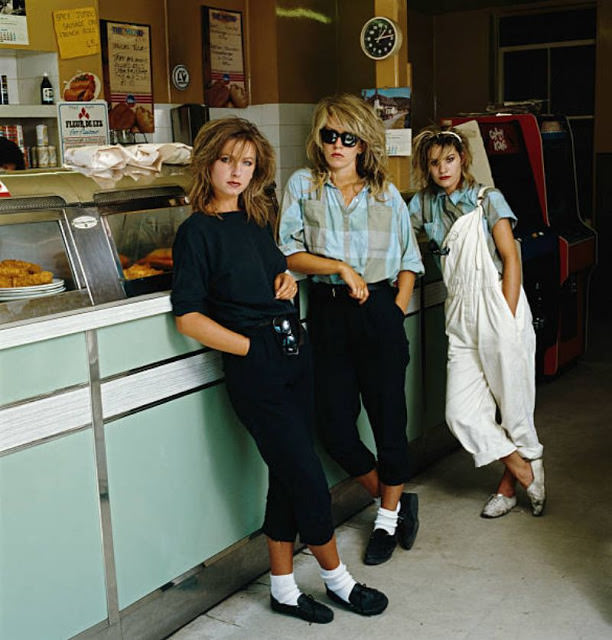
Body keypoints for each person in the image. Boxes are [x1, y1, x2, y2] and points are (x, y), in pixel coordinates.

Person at [171, 117, 388, 624]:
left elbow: (271, 272)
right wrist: (248, 347)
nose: (236, 172)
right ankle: (339, 581)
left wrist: (286, 283)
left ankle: (284, 589)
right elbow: (189, 317)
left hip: (295, 355)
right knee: (308, 478)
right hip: (259, 370)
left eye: (246, 162)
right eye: (227, 160)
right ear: (207, 161)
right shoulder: (195, 233)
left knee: (287, 476)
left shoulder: (253, 219)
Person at [278, 94, 424, 566]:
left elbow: (409, 262)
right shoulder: (302, 185)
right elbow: (288, 252)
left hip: (379, 310)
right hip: (327, 312)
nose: (337, 145)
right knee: (335, 426)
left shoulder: (385, 194)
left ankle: (385, 518)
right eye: (329, 136)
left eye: (348, 137)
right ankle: (397, 500)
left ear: (363, 143)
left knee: (388, 421)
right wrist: (338, 266)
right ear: (318, 139)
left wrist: (395, 311)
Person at [408, 126, 546, 519]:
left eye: (448, 159)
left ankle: (508, 489)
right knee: (460, 413)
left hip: (498, 303)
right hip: (460, 313)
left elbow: (511, 258)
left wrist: (505, 313)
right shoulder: (423, 205)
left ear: (462, 158)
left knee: (514, 408)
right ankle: (525, 469)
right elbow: (400, 235)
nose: (442, 168)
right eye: (434, 162)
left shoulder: (488, 199)